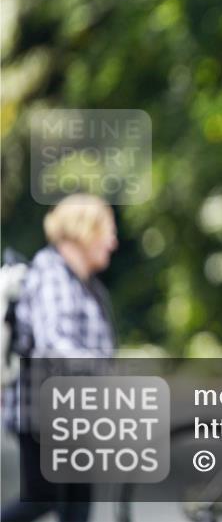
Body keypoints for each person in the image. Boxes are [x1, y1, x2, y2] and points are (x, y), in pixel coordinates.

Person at [1, 194, 118, 522]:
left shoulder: (80, 281)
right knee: (43, 497)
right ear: (84, 231)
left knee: (77, 500)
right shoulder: (52, 274)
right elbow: (55, 347)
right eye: (107, 231)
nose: (113, 242)